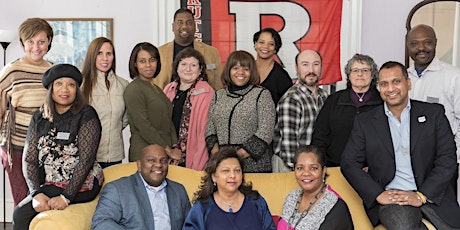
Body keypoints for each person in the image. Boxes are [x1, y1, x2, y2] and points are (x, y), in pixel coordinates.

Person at [341, 61, 460, 229]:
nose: (390, 89)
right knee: (404, 226)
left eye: (396, 81)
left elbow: (447, 159)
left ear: (408, 83)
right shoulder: (365, 122)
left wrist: (421, 196)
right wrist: (378, 194)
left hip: (430, 194)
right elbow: (348, 163)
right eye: (384, 84)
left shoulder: (434, 114)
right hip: (393, 199)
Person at [13, 64, 104, 230]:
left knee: (21, 214)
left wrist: (66, 197)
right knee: (20, 214)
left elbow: (86, 160)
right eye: (59, 84)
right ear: (51, 89)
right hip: (51, 182)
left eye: (71, 85)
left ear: (77, 89)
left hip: (82, 183)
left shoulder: (87, 114)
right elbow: (29, 159)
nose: (65, 89)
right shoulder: (39, 117)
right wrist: (36, 193)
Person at [0, 18, 54, 206]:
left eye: (41, 41)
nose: (36, 47)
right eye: (30, 41)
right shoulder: (12, 71)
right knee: (23, 203)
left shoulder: (53, 71)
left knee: (44, 202)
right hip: (16, 147)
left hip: (45, 148)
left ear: (49, 42)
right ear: (23, 43)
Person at [406, 24, 460, 201]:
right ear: (408, 46)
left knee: (443, 217)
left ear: (436, 43)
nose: (421, 48)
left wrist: (453, 155)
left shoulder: (454, 76)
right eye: (415, 43)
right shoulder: (403, 78)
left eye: (427, 42)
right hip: (409, 164)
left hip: (442, 164)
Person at [205, 50, 275, 173]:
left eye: (246, 69)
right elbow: (210, 127)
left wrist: (238, 156)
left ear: (252, 72)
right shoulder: (218, 95)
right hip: (222, 163)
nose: (240, 72)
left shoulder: (261, 94)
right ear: (228, 71)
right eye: (235, 68)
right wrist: (217, 153)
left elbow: (266, 131)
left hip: (253, 165)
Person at [91, 144, 191, 230]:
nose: (159, 165)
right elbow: (101, 223)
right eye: (151, 160)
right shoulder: (117, 189)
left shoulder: (178, 190)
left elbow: (191, 225)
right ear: (139, 165)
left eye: (163, 161)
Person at [312, 54, 382, 167]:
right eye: (355, 70)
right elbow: (319, 137)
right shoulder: (334, 100)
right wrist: (320, 164)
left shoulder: (382, 102)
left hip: (370, 170)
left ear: (373, 75)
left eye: (365, 70)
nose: (360, 74)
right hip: (334, 166)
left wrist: (373, 166)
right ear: (349, 75)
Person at [183, 148, 275, 229]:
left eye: (237, 170)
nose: (232, 175)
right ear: (214, 176)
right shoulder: (202, 208)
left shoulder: (256, 202)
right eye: (226, 171)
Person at [124, 42, 180, 163]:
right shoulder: (134, 89)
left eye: (152, 60)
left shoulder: (157, 89)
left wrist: (175, 146)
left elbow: (167, 121)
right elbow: (143, 125)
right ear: (135, 64)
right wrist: (169, 151)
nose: (148, 65)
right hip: (144, 153)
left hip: (162, 153)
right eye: (142, 61)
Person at [273, 50, 328, 170]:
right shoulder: (291, 99)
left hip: (314, 169)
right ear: (297, 68)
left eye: (316, 64)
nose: (311, 70)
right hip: (292, 168)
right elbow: (289, 149)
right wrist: (304, 171)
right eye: (305, 64)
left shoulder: (324, 97)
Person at [81, 37, 129, 169]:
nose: (105, 58)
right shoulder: (82, 85)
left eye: (109, 54)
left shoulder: (123, 84)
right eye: (99, 53)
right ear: (92, 56)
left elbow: (125, 118)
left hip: (115, 154)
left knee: (112, 189)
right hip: (88, 155)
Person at [163, 47, 214, 170]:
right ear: (177, 67)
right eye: (184, 64)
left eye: (193, 65)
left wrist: (198, 164)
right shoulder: (169, 89)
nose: (188, 69)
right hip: (168, 155)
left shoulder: (206, 92)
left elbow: (204, 133)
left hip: (192, 157)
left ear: (200, 69)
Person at [279, 145, 353, 230]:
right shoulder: (291, 197)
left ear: (323, 171)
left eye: (313, 168)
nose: (306, 173)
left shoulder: (336, 208)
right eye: (300, 168)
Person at [153, 8, 223, 90]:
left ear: (195, 26)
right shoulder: (159, 53)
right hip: (166, 101)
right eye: (180, 23)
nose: (184, 26)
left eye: (189, 23)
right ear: (173, 27)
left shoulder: (212, 52)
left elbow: (219, 86)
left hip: (203, 101)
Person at [253, 28, 293, 104]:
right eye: (261, 42)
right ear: (255, 44)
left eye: (271, 44)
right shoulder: (245, 69)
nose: (265, 46)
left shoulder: (282, 77)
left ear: (275, 48)